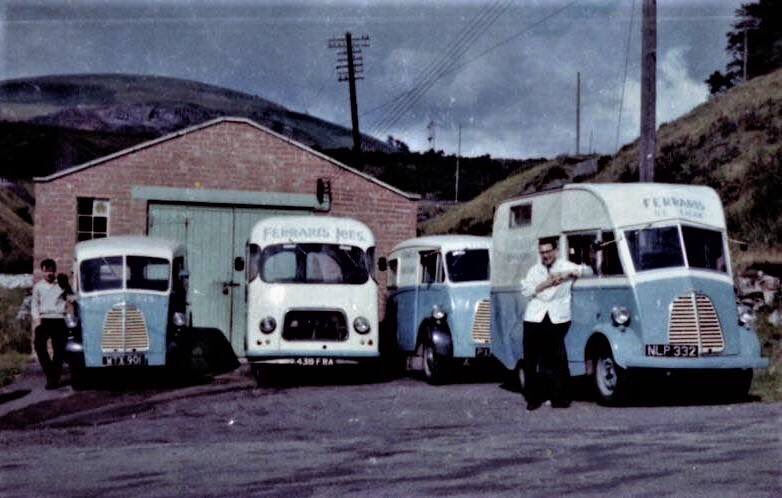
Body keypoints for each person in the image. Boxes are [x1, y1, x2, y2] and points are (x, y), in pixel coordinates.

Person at [520, 237, 590, 410]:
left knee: (557, 358)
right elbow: (526, 290)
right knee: (531, 359)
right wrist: (544, 284)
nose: (546, 255)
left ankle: (560, 398)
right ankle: (533, 399)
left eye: (548, 251)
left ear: (555, 251)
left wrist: (568, 274)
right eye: (542, 252)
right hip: (534, 317)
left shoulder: (565, 265)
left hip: (557, 317)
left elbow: (587, 270)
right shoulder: (534, 270)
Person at [31, 259, 69, 389]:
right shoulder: (38, 287)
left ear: (55, 270)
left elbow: (74, 299)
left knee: (59, 350)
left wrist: (67, 287)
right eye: (47, 271)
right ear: (42, 271)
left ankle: (53, 380)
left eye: (52, 270)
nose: (49, 273)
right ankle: (50, 373)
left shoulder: (61, 284)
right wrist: (37, 320)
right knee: (39, 346)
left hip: (59, 319)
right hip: (44, 319)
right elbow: (34, 304)